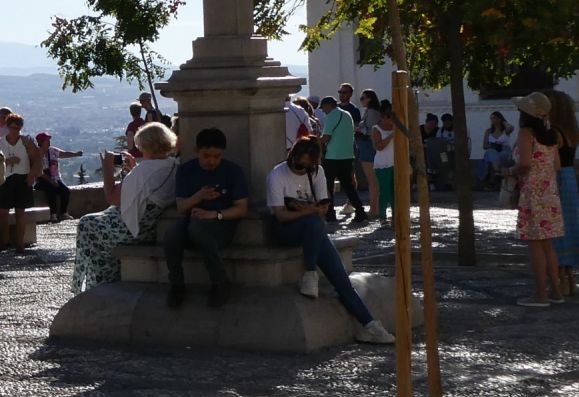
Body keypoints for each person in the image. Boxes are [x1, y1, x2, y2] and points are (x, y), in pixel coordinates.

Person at [264, 138, 395, 344]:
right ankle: (310, 272)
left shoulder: (317, 172)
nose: (302, 170)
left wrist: (315, 210)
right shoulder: (277, 174)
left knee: (341, 279)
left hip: (313, 229)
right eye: (299, 165)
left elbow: (322, 210)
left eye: (308, 166)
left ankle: (369, 324)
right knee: (313, 222)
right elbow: (280, 216)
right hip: (286, 230)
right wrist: (309, 210)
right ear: (292, 156)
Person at [70, 123, 179, 292]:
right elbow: (148, 189)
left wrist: (107, 167)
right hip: (150, 225)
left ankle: (92, 283)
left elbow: (112, 197)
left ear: (146, 145)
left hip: (132, 229)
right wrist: (134, 170)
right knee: (96, 221)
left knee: (87, 224)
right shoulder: (174, 166)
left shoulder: (144, 171)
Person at [163, 128, 251, 309]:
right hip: (191, 221)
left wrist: (215, 215)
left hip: (221, 224)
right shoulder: (186, 170)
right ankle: (177, 284)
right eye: (206, 156)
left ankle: (219, 282)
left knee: (198, 228)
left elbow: (241, 209)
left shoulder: (233, 172)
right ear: (197, 151)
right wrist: (198, 197)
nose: (211, 161)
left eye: (217, 156)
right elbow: (181, 207)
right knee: (171, 235)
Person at [512, 93, 563, 307]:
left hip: (533, 192)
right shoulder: (552, 135)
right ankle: (556, 291)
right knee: (548, 245)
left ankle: (540, 294)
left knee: (535, 245)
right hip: (549, 191)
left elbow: (524, 163)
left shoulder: (526, 134)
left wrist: (508, 172)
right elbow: (557, 165)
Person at [545, 89, 579, 297]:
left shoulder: (554, 133)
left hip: (557, 179)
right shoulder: (571, 131)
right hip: (569, 177)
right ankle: (570, 278)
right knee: (569, 224)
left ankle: (560, 279)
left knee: (556, 227)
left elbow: (550, 161)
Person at [0, 114, 40, 253]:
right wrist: (6, 162)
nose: (15, 130)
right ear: (7, 127)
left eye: (17, 128)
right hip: (6, 178)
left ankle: (20, 243)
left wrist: (32, 175)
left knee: (20, 212)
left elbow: (37, 159)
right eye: (12, 127)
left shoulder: (26, 141)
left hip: (22, 178)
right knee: (3, 212)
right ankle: (5, 241)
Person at [319, 96, 364, 224]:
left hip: (333, 156)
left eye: (323, 108)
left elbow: (326, 137)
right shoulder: (347, 114)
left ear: (328, 105)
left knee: (328, 187)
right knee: (348, 186)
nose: (323, 111)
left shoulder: (332, 116)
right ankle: (360, 211)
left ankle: (330, 214)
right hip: (347, 155)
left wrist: (316, 139)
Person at [33, 131, 83, 222]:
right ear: (41, 142)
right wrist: (50, 181)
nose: (49, 142)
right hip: (42, 179)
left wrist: (75, 154)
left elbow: (64, 154)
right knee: (50, 191)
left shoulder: (52, 151)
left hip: (55, 177)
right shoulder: (36, 154)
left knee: (65, 191)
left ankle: (63, 212)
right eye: (46, 140)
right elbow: (38, 171)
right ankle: (53, 214)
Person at [369, 100, 396, 227]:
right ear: (383, 116)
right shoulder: (376, 129)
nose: (390, 120)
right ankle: (383, 217)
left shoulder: (397, 127)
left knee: (395, 191)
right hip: (383, 164)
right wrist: (391, 136)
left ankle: (396, 217)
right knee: (385, 191)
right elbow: (378, 147)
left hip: (395, 163)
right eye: (388, 117)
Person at [355, 89, 382, 203]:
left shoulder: (371, 112)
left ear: (369, 99)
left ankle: (374, 207)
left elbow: (372, 130)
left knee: (372, 180)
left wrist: (359, 129)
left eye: (363, 98)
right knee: (372, 180)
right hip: (366, 146)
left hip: (368, 145)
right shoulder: (369, 111)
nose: (361, 100)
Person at [477, 112, 514, 187]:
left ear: (499, 118)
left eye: (494, 118)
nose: (492, 120)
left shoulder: (506, 130)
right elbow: (484, 146)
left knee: (502, 154)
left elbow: (511, 128)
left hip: (504, 150)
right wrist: (493, 145)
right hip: (493, 150)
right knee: (491, 153)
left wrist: (504, 122)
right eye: (491, 118)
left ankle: (496, 175)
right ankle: (497, 172)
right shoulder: (488, 131)